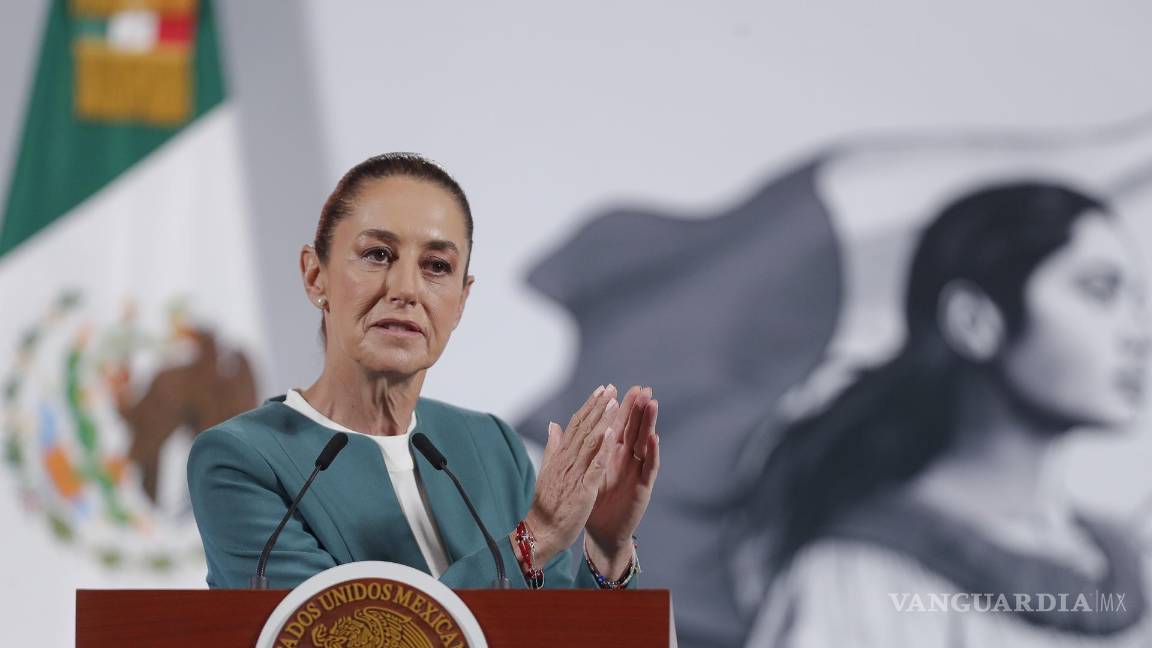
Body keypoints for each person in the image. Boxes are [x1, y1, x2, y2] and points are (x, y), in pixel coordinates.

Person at [187, 153, 661, 590]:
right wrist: (534, 538)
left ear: (461, 300)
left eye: (436, 265)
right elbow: (336, 637)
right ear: (316, 276)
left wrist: (606, 545)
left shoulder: (490, 446)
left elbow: (559, 635)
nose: (406, 289)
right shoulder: (240, 461)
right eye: (377, 255)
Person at [735, 181, 1152, 646]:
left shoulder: (1127, 567)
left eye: (1137, 300)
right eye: (1099, 291)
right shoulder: (856, 578)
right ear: (974, 320)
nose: (1138, 333)